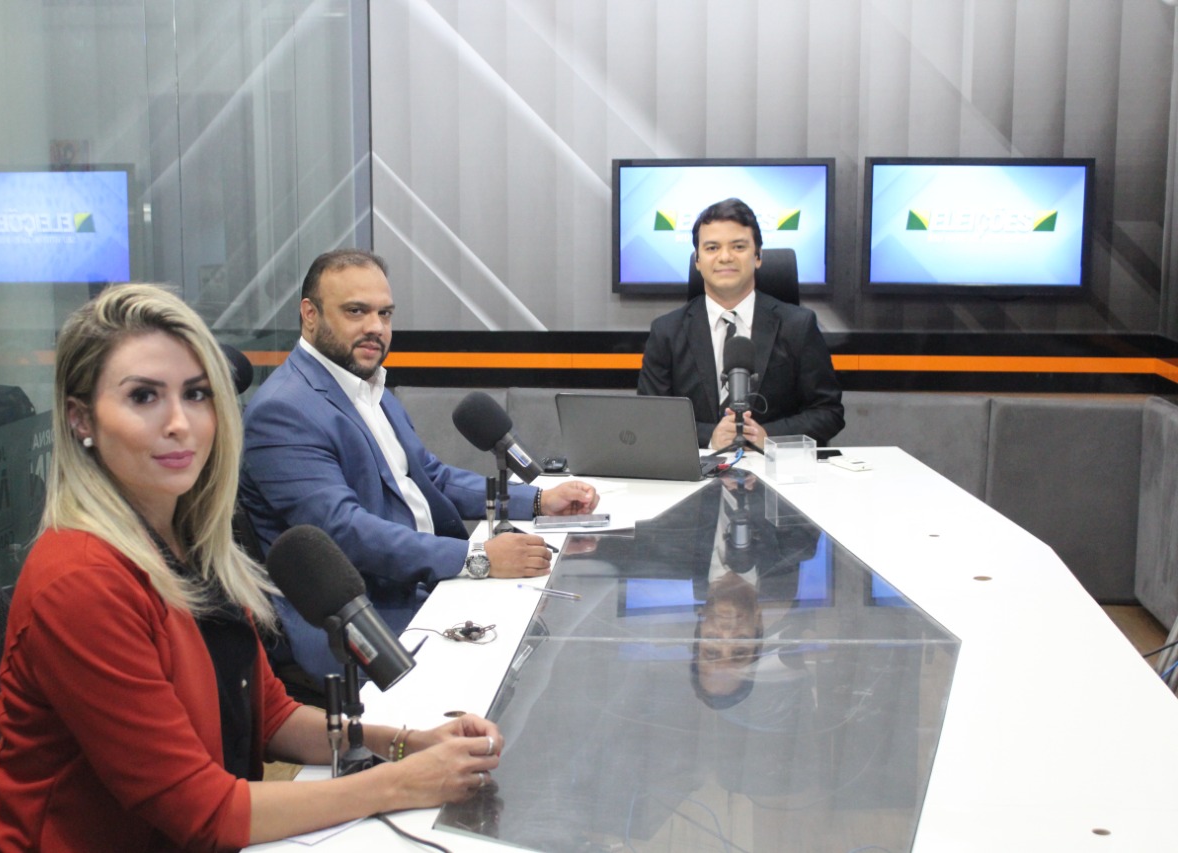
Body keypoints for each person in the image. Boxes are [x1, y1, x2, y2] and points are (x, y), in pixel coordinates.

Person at [0, 284, 505, 853]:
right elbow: (203, 812)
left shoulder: (189, 542)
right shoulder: (81, 580)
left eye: (196, 394)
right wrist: (400, 783)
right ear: (80, 420)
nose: (180, 423)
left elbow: (270, 715)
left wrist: (405, 744)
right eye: (143, 396)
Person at [240, 249, 598, 682]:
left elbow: (433, 479)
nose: (376, 327)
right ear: (310, 314)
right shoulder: (283, 410)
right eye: (356, 311)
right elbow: (344, 532)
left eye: (385, 314)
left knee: (555, 631)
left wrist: (539, 500)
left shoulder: (369, 388)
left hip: (424, 585)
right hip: (367, 620)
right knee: (527, 673)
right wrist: (477, 558)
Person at [637, 197, 844, 451]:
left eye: (738, 246)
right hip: (697, 467)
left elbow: (828, 412)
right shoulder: (667, 332)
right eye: (712, 248)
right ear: (698, 260)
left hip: (773, 467)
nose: (725, 257)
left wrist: (768, 436)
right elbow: (650, 417)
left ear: (758, 256)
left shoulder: (798, 326)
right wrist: (710, 437)